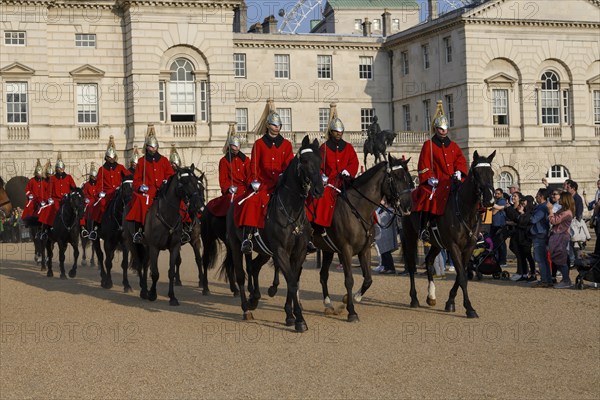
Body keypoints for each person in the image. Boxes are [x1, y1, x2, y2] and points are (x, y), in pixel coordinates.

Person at [235, 111, 294, 254]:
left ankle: (305, 236)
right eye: (274, 125)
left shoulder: (286, 144)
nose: (277, 127)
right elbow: (254, 166)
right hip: (263, 185)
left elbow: (289, 164)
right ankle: (248, 237)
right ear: (268, 125)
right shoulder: (259, 144)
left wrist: (284, 176)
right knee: (251, 202)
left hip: (281, 184)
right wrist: (254, 181)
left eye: (279, 125)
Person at [412, 114, 467, 242]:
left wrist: (459, 171)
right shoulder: (429, 145)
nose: (444, 131)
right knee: (427, 197)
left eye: (445, 128)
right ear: (436, 129)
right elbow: (423, 164)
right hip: (437, 182)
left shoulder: (453, 146)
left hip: (453, 181)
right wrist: (429, 178)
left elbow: (460, 161)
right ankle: (423, 228)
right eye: (441, 129)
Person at [308, 117, 359, 237]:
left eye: (341, 131)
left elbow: (354, 162)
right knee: (322, 197)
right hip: (330, 183)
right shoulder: (324, 148)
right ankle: (319, 226)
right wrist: (322, 177)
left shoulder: (348, 147)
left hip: (346, 181)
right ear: (331, 132)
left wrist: (348, 171)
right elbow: (318, 167)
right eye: (336, 131)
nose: (339, 133)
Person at [126, 129, 174, 243]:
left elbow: (170, 175)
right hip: (148, 191)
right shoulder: (142, 161)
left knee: (178, 201)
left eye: (154, 147)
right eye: (150, 147)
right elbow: (136, 180)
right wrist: (140, 187)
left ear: (157, 147)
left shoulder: (164, 160)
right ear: (146, 147)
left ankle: (183, 228)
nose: (153, 149)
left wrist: (167, 181)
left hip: (163, 190)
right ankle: (140, 230)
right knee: (141, 201)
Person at [89, 136, 129, 240]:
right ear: (106, 158)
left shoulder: (120, 167)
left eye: (113, 157)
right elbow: (98, 185)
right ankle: (96, 227)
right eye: (109, 157)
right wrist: (99, 193)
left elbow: (128, 177)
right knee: (99, 205)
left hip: (119, 192)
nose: (111, 159)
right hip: (107, 193)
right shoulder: (102, 169)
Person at [206, 133, 251, 218]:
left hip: (245, 190)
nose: (236, 148)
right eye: (234, 146)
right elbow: (223, 180)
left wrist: (251, 187)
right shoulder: (224, 161)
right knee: (229, 204)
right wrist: (228, 189)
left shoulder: (246, 160)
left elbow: (249, 176)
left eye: (238, 146)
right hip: (232, 191)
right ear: (230, 146)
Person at [37, 153, 76, 239]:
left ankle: (81, 228)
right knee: (49, 211)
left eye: (62, 168)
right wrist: (49, 199)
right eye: (59, 168)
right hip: (56, 200)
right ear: (56, 169)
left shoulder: (69, 177)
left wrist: (73, 195)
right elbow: (48, 191)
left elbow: (73, 188)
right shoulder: (52, 178)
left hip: (67, 200)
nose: (61, 169)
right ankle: (46, 229)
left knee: (76, 210)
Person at [547, 192, 575, 289]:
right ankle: (565, 279)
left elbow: (554, 221)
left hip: (561, 236)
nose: (559, 200)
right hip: (557, 236)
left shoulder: (567, 212)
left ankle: (566, 280)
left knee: (560, 258)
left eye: (561, 198)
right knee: (557, 257)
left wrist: (550, 210)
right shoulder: (563, 210)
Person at [530, 188, 551, 287]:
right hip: (540, 233)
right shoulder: (542, 206)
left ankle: (544, 280)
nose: (536, 197)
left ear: (541, 196)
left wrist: (525, 216)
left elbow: (534, 220)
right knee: (543, 259)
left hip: (540, 234)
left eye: (537, 195)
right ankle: (547, 279)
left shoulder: (542, 207)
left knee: (540, 259)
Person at [372, 199, 398, 274]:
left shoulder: (390, 210)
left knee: (387, 252)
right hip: (383, 234)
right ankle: (385, 267)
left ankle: (391, 268)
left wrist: (375, 214)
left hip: (387, 234)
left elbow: (382, 218)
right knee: (383, 252)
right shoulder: (383, 210)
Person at [21, 159, 47, 227]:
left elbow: (47, 190)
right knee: (28, 206)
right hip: (33, 199)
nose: (40, 175)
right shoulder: (32, 180)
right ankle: (26, 220)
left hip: (42, 199)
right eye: (38, 174)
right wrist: (30, 195)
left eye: (40, 174)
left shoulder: (44, 181)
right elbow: (27, 190)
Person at [80, 163, 100, 238]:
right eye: (93, 177)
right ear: (90, 177)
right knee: (83, 209)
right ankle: (82, 226)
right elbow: (84, 194)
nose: (94, 178)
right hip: (89, 200)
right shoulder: (87, 185)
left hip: (97, 200)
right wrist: (86, 199)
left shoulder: (98, 184)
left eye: (95, 177)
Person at [490, 188, 508, 268]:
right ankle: (497, 259)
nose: (496, 195)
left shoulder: (502, 200)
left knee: (501, 244)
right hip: (494, 224)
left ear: (501, 194)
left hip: (500, 225)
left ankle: (503, 260)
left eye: (498, 193)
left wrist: (493, 207)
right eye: (495, 193)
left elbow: (494, 212)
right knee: (495, 243)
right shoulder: (496, 201)